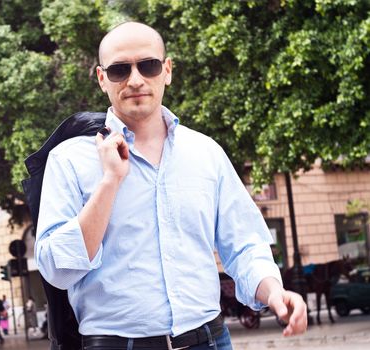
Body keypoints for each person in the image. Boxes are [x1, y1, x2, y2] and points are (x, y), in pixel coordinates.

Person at [35, 21, 308, 350]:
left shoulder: (205, 153)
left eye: (148, 66)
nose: (136, 80)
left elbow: (244, 245)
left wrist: (273, 291)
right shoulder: (69, 160)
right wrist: (109, 182)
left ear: (166, 70)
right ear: (102, 78)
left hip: (209, 340)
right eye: (120, 70)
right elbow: (56, 269)